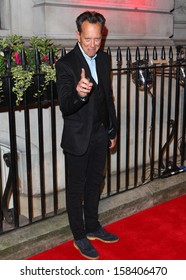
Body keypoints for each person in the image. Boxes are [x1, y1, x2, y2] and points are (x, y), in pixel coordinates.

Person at [55, 11, 118, 260]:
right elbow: (65, 106)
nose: (93, 45)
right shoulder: (66, 64)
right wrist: (80, 93)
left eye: (97, 39)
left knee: (95, 183)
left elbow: (107, 98)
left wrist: (112, 129)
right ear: (78, 35)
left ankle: (92, 227)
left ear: (102, 36)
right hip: (78, 139)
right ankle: (79, 235)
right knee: (76, 189)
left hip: (100, 134)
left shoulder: (104, 59)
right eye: (88, 38)